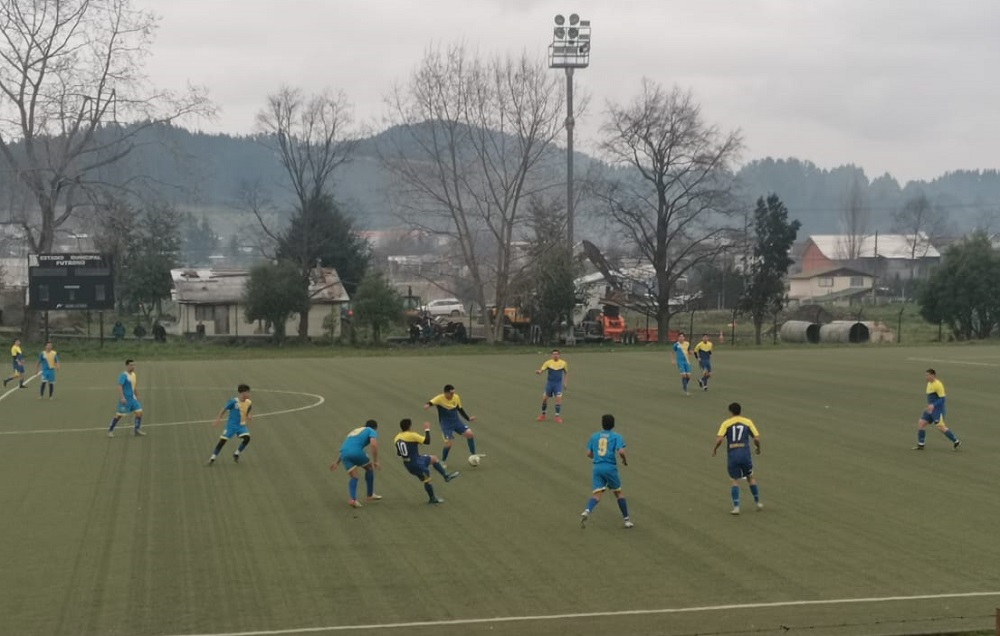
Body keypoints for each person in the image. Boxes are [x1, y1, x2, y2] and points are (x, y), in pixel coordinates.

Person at [580, 414, 634, 529]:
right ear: (613, 424)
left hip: (597, 467)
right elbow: (621, 452)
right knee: (618, 493)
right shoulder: (617, 436)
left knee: (597, 495)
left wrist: (597, 459)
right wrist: (624, 460)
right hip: (610, 468)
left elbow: (589, 454)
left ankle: (587, 510)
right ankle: (627, 520)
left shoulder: (594, 436)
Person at [712, 402, 763, 515]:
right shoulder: (748, 422)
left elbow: (719, 439)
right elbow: (756, 438)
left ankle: (736, 507)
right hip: (745, 453)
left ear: (730, 412)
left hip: (733, 454)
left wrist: (715, 449)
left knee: (735, 480)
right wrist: (758, 448)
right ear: (740, 411)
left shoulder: (726, 423)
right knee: (750, 477)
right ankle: (758, 502)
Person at [393, 418, 459, 504]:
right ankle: (432, 498)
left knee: (434, 459)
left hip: (412, 461)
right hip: (415, 464)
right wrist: (427, 429)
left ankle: (446, 476)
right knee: (427, 480)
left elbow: (399, 453)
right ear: (409, 426)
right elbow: (427, 441)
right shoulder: (412, 435)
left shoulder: (397, 437)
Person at [330, 419, 381, 508]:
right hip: (356, 452)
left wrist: (336, 462)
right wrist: (376, 461)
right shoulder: (371, 430)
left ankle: (353, 499)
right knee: (369, 468)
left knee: (354, 477)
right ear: (375, 428)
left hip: (344, 454)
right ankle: (370, 495)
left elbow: (346, 447)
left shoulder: (354, 431)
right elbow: (373, 444)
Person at [424, 384, 479, 465]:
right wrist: (427, 405)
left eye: (453, 393)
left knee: (470, 434)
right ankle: (442, 461)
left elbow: (460, 409)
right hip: (446, 424)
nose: (453, 395)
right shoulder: (439, 398)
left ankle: (473, 455)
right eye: (451, 393)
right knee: (449, 444)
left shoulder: (456, 397)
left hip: (456, 422)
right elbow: (430, 402)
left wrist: (468, 418)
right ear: (445, 393)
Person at [913, 368, 961, 451]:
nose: (926, 377)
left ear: (933, 375)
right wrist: (930, 406)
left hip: (938, 410)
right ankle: (921, 444)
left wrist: (933, 405)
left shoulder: (938, 384)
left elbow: (942, 399)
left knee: (940, 427)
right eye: (926, 375)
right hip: (931, 409)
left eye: (928, 375)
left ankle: (956, 441)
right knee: (921, 423)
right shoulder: (929, 383)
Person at [207, 384, 253, 463]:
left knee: (247, 438)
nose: (249, 394)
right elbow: (224, 409)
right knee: (223, 441)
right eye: (248, 392)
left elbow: (248, 409)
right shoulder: (233, 402)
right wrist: (218, 419)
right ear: (242, 393)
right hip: (231, 426)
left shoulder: (249, 402)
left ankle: (236, 454)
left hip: (241, 425)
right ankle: (213, 457)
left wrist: (248, 415)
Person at [108, 359, 145, 437]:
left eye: (134, 365)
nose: (133, 366)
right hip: (126, 399)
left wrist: (137, 395)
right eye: (131, 365)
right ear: (127, 366)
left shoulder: (134, 375)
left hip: (133, 399)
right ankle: (110, 430)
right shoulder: (123, 375)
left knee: (139, 413)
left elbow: (134, 386)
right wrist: (122, 398)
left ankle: (137, 430)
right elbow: (120, 386)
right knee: (119, 415)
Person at [535, 349, 569, 422]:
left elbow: (566, 373)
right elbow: (542, 370)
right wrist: (539, 372)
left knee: (558, 399)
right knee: (544, 399)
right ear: (552, 355)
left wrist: (565, 382)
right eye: (554, 354)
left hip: (558, 384)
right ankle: (543, 415)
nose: (555, 355)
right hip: (550, 384)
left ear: (559, 355)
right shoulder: (548, 363)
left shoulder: (563, 363)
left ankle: (557, 416)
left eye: (556, 354)